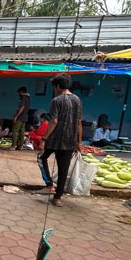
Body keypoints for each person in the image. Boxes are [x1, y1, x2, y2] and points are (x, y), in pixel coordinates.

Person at [38, 74, 82, 206]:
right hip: (70, 140)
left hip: (54, 139)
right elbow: (79, 122)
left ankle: (49, 184)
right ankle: (57, 198)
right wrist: (79, 142)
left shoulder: (56, 100)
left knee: (41, 157)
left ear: (57, 86)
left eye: (54, 87)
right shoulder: (77, 100)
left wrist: (44, 139)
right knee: (64, 169)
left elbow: (54, 121)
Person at [30, 113, 54, 187]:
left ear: (43, 118)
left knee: (41, 158)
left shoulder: (46, 124)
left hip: (47, 142)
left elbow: (40, 134)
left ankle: (49, 184)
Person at [11, 86, 31, 150]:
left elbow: (22, 107)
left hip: (20, 117)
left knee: (15, 130)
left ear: (21, 92)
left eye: (19, 92)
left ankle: (13, 146)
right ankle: (20, 146)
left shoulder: (23, 97)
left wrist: (16, 116)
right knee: (22, 132)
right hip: (25, 117)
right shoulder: (28, 98)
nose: (18, 94)